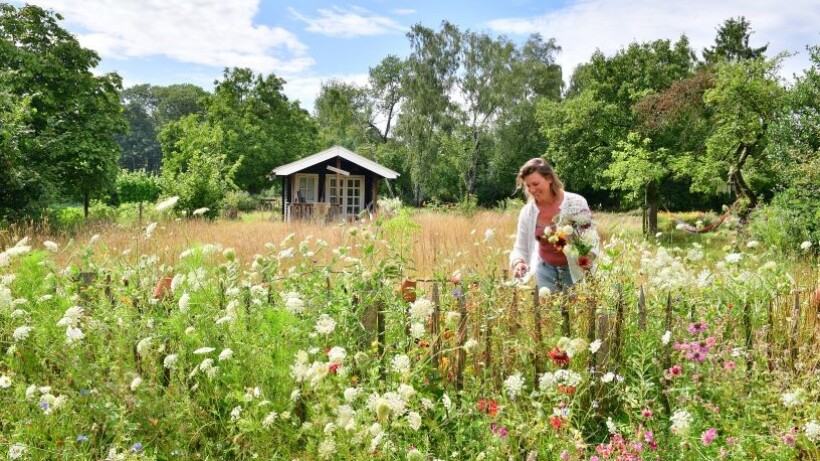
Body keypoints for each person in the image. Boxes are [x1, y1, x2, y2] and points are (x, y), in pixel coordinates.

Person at [509, 158, 599, 292]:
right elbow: (520, 247)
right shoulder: (528, 212)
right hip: (544, 271)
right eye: (528, 186)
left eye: (535, 183)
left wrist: (587, 257)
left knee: (576, 311)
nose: (532, 189)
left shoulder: (576, 203)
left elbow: (591, 239)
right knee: (548, 311)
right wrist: (518, 262)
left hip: (575, 270)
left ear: (550, 178)